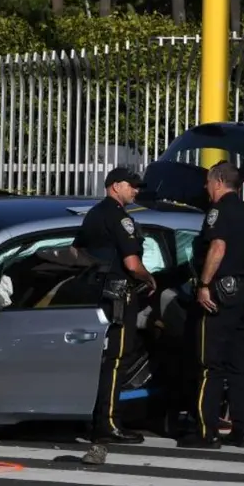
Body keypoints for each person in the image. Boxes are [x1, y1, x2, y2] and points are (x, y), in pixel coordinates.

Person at [178, 161, 244, 449]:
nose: (205, 187)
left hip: (219, 298)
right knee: (242, 368)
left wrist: (204, 285)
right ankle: (243, 431)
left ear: (218, 181)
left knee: (210, 366)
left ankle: (207, 432)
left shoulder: (218, 212)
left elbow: (218, 247)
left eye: (207, 182)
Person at [73, 166, 157, 445]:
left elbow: (77, 252)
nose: (136, 191)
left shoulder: (93, 214)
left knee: (103, 360)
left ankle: (98, 420)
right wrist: (149, 278)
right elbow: (132, 264)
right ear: (115, 186)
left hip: (96, 296)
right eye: (131, 185)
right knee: (118, 360)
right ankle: (108, 423)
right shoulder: (121, 218)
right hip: (120, 296)